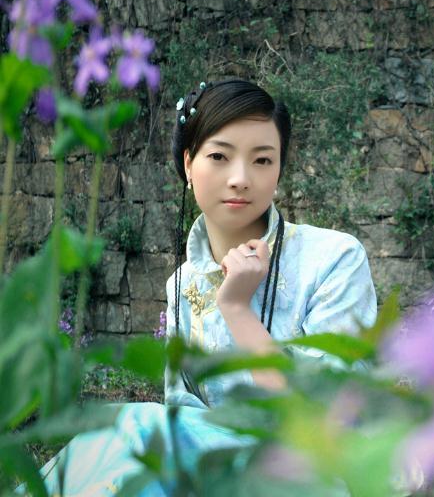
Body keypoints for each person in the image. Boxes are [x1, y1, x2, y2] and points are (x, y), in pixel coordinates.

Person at [18, 78, 378, 496]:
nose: (240, 178)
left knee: (136, 425)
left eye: (262, 160)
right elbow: (184, 420)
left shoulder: (333, 259)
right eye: (219, 156)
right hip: (213, 481)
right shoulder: (183, 286)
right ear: (189, 165)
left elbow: (327, 418)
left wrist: (237, 309)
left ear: (279, 169)